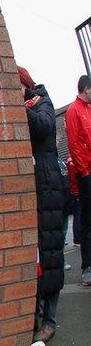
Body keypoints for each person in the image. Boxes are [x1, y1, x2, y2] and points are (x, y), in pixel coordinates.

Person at [20, 67, 64, 343]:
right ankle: (35, 314)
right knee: (36, 253)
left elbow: (44, 126)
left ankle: (50, 319)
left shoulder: (41, 101)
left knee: (51, 253)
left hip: (47, 184)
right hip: (30, 185)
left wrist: (22, 102)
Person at [66, 74, 91, 287]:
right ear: (87, 89)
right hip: (86, 174)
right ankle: (87, 267)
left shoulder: (88, 110)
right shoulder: (74, 110)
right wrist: (84, 173)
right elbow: (74, 144)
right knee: (88, 221)